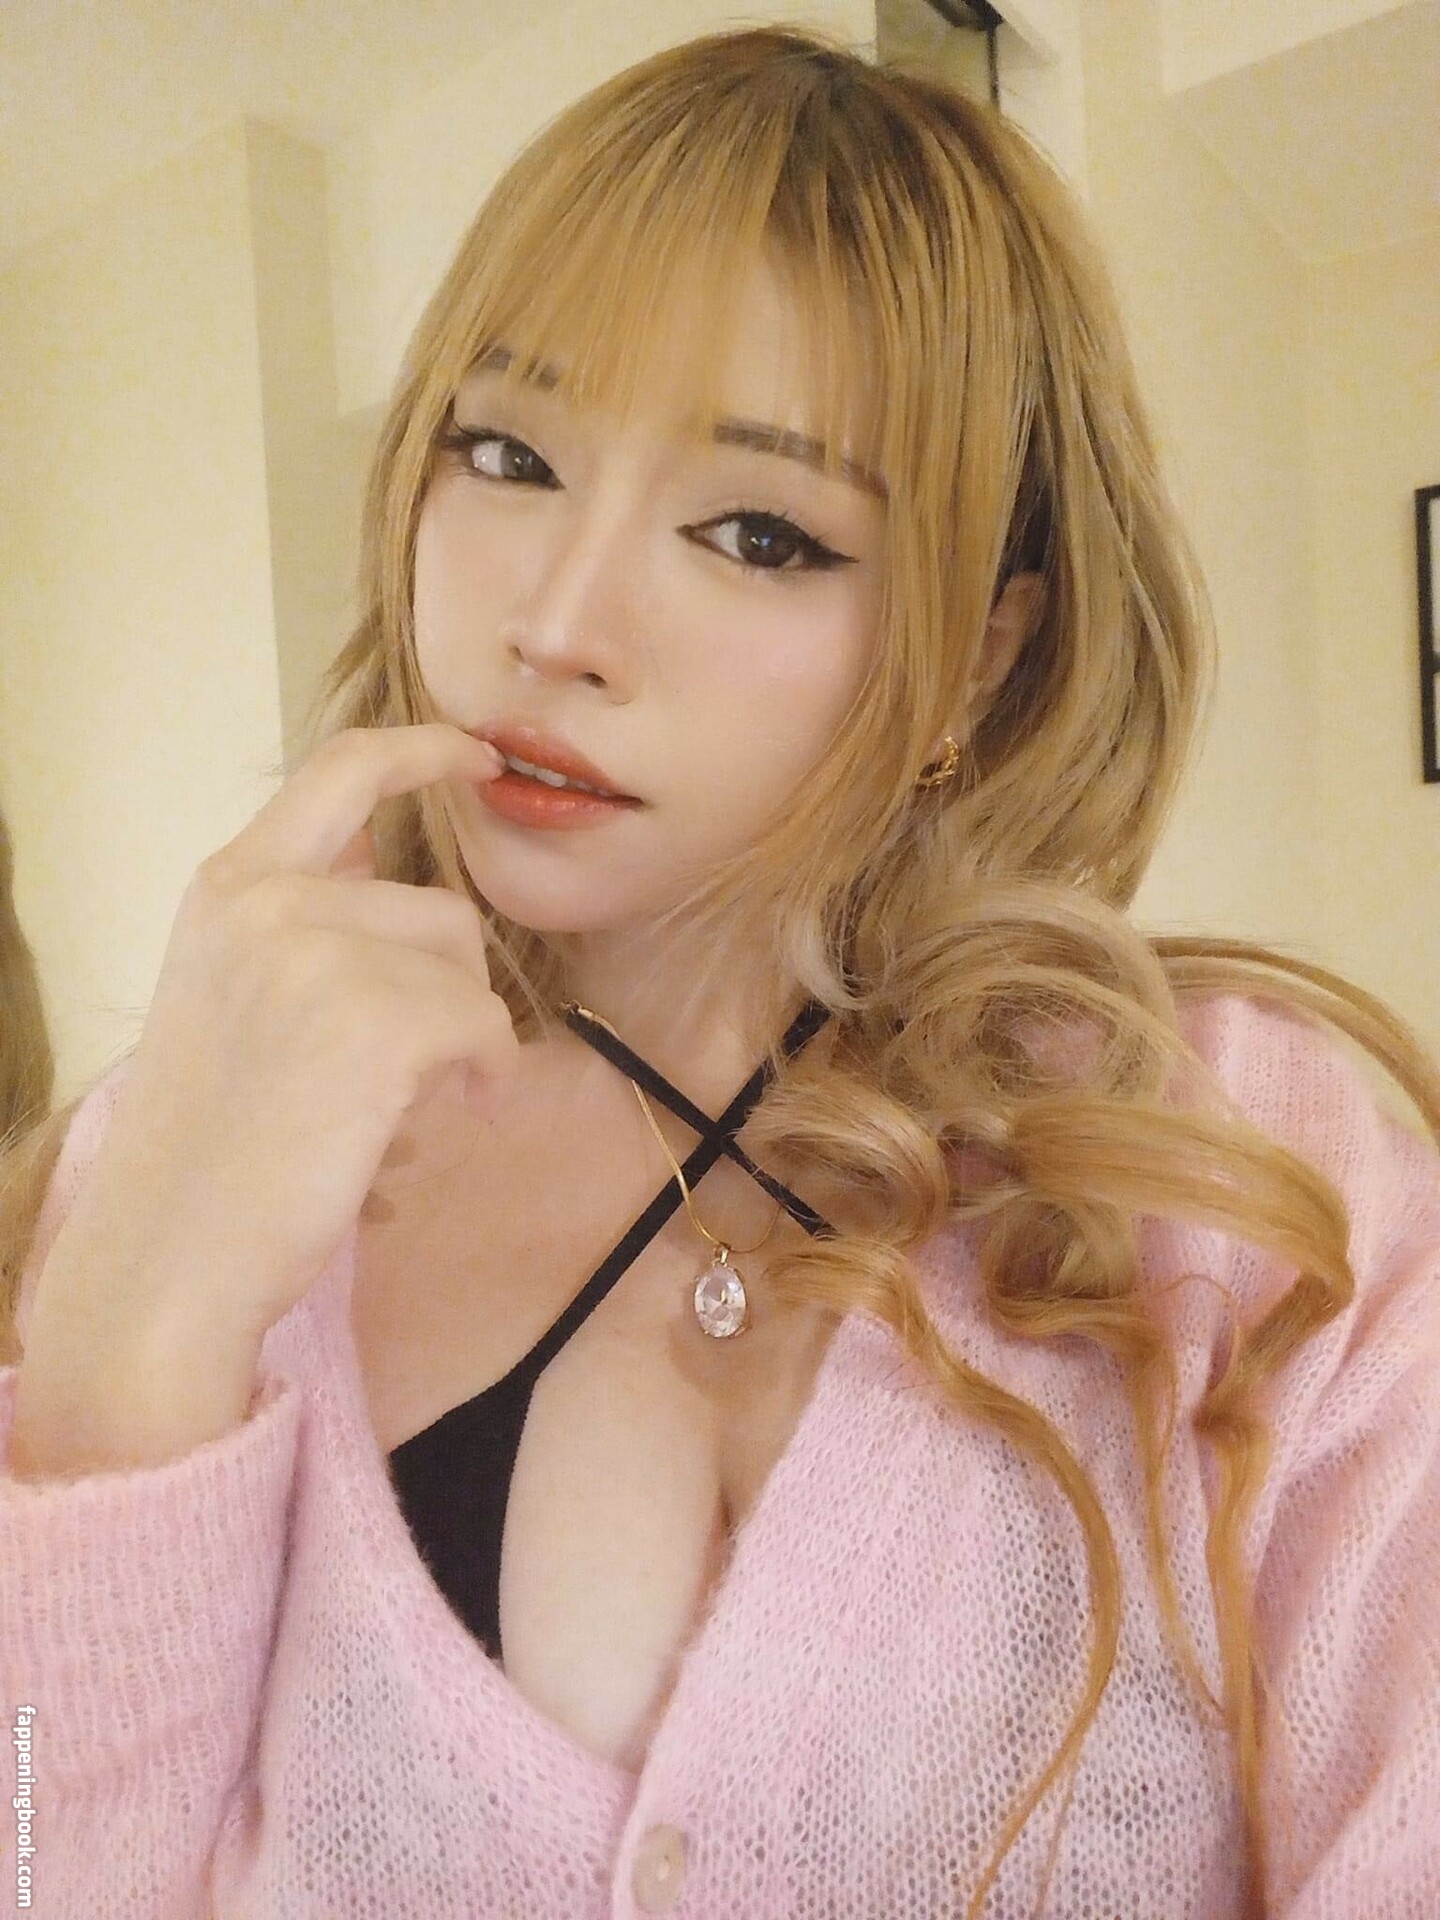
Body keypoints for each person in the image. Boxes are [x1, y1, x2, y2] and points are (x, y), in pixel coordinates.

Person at [1, 22, 1436, 1919]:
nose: (558, 623)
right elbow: (32, 1851)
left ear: (979, 650)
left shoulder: (1243, 1163)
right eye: (506, 453)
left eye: (760, 532)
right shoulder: (205, 1131)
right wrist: (121, 1348)